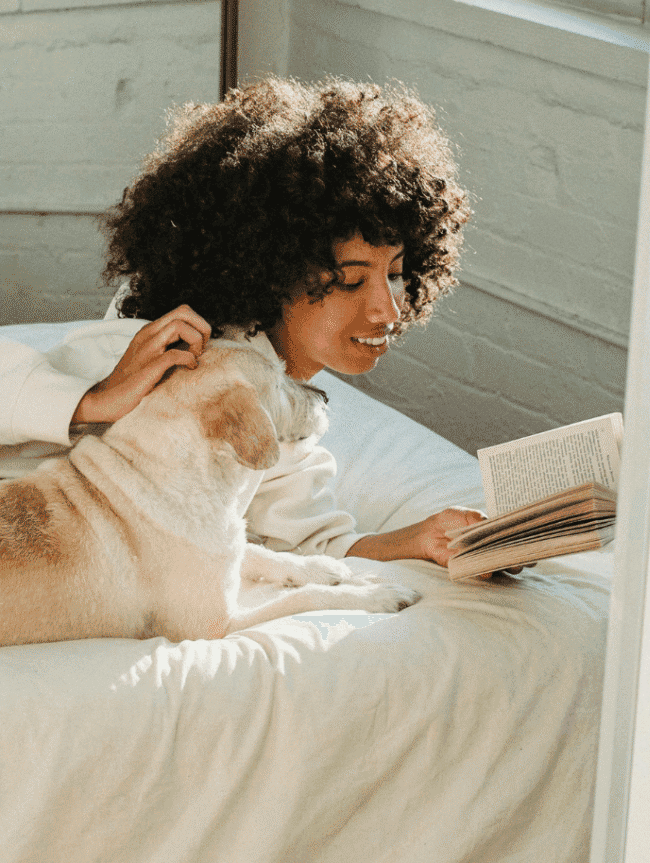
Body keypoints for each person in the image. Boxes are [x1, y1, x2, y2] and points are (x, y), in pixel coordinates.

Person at [0, 77, 514, 571]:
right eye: (351, 281)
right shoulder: (165, 354)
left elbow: (312, 543)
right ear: (269, 274)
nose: (388, 310)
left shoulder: (279, 406)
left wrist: (421, 540)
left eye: (397, 274)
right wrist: (93, 403)